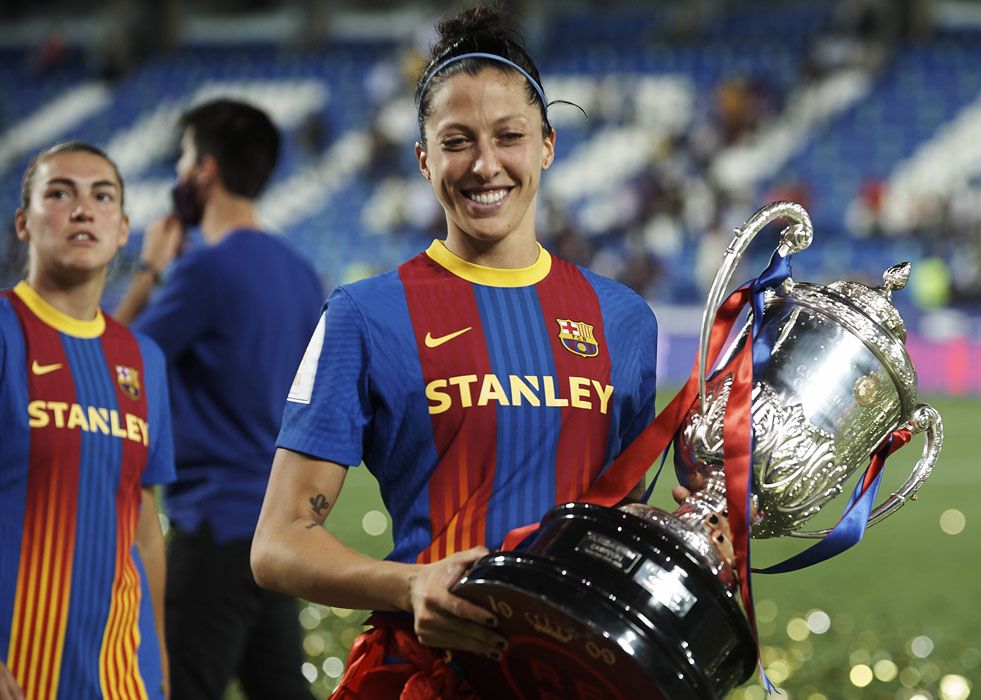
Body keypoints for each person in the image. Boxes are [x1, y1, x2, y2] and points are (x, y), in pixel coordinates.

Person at [250, 4, 659, 697]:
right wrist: (411, 585)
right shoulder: (364, 313)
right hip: (426, 674)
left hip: (576, 678)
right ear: (423, 157)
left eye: (509, 136)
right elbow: (278, 544)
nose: (485, 164)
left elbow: (615, 522)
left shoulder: (623, 320)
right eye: (457, 140)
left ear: (548, 146)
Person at [113, 99, 323, 700]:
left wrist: (150, 271)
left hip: (215, 523)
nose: (179, 174)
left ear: (203, 170)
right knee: (278, 684)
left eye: (182, 159)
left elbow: (111, 365)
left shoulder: (203, 270)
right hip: (278, 529)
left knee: (178, 687)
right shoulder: (302, 272)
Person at [0, 141, 173, 699]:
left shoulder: (145, 359)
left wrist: (160, 669)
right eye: (59, 193)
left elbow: (144, 526)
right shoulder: (6, 329)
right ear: (23, 224)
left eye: (102, 196)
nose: (82, 209)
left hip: (123, 679)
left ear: (123, 229)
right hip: (19, 673)